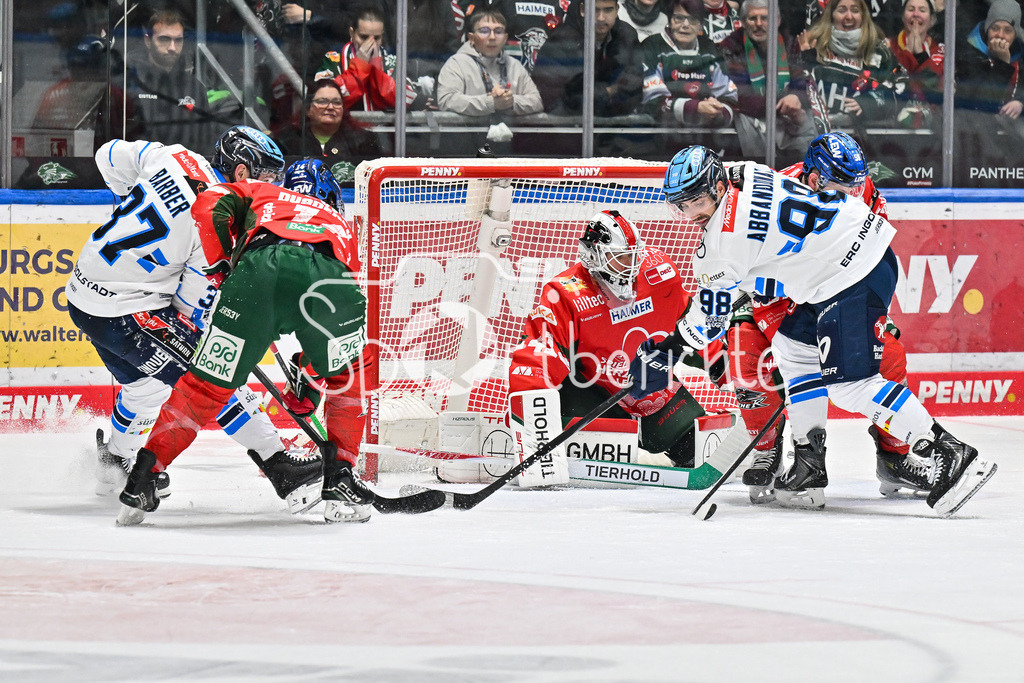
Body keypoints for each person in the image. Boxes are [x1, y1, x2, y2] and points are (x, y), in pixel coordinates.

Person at [629, 145, 997, 516]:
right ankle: (809, 463)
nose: (691, 212)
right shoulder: (747, 173)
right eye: (681, 204)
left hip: (852, 276)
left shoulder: (722, 247)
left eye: (698, 201)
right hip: (848, 258)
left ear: (718, 186)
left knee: (850, 386)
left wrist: (668, 351)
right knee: (792, 348)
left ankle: (948, 451)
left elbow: (707, 323)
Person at [116, 157, 377, 526]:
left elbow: (208, 204)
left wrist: (222, 262)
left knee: (204, 388)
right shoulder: (341, 224)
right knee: (351, 376)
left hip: (256, 274)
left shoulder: (263, 191)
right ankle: (341, 477)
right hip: (327, 276)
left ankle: (143, 477)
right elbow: (331, 350)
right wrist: (310, 384)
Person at [65, 126, 318, 506]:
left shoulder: (172, 155)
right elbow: (191, 316)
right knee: (214, 372)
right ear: (242, 173)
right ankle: (280, 467)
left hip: (83, 294)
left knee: (147, 387)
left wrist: (125, 201)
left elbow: (107, 155)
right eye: (266, 180)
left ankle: (114, 463)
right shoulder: (216, 226)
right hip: (125, 310)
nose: (270, 191)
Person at [713, 132, 924, 503]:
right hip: (774, 296)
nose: (851, 192)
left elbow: (867, 267)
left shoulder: (867, 193)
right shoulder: (779, 190)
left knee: (889, 357)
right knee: (746, 356)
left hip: (834, 294)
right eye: (839, 184)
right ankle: (768, 449)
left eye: (855, 183)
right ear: (813, 178)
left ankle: (895, 458)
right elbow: (752, 269)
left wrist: (872, 314)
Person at [507, 210, 710, 475]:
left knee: (699, 452)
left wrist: (723, 360)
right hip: (591, 394)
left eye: (634, 255)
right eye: (621, 258)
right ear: (593, 255)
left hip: (652, 385)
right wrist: (534, 432)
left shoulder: (657, 272)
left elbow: (689, 322)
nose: (631, 264)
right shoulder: (566, 294)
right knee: (609, 461)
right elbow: (537, 356)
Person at [718, 0, 816, 164]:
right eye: (752, 18)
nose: (758, 24)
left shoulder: (789, 43)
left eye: (765, 18)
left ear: (776, 21)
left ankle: (805, 172)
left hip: (786, 117)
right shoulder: (730, 45)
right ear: (742, 22)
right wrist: (781, 104)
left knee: (808, 120)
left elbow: (802, 82)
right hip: (750, 119)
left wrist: (795, 97)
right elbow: (739, 94)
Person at [793, 0, 905, 132]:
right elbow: (794, 88)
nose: (849, 16)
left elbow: (901, 85)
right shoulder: (813, 43)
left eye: (855, 10)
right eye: (842, 10)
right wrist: (804, 58)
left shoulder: (879, 51)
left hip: (862, 139)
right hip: (816, 134)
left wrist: (869, 103)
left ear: (863, 15)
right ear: (831, 15)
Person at [126, 10, 220, 154]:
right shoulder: (130, 84)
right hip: (138, 172)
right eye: (164, 39)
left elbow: (206, 144)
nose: (172, 47)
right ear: (148, 41)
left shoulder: (196, 88)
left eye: (178, 40)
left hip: (185, 173)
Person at [954, 0, 1024, 187]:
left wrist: (1021, 102)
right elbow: (977, 101)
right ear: (986, 28)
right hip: (977, 131)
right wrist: (1002, 64)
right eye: (995, 28)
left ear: (1015, 32)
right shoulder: (969, 51)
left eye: (1007, 30)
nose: (1000, 36)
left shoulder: (1022, 52)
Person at [639, 0, 738, 131]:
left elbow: (730, 97)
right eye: (679, 18)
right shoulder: (652, 46)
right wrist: (695, 108)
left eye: (693, 19)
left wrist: (718, 113)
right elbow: (652, 101)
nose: (685, 25)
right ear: (669, 20)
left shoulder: (709, 48)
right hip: (661, 138)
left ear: (701, 25)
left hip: (706, 138)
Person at [533, 0, 644, 117]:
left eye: (608, 10)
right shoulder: (562, 40)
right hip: (569, 125)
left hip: (615, 124)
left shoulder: (627, 36)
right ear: (582, 10)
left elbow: (633, 88)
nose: (601, 18)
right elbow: (556, 98)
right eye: (595, 10)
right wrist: (608, 91)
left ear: (617, 10)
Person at [313, 6, 425, 112]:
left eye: (376, 38)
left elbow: (406, 99)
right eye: (364, 37)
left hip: (384, 131)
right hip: (345, 130)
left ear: (382, 36)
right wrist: (360, 66)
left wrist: (376, 69)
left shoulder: (393, 61)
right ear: (352, 33)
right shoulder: (333, 60)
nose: (370, 44)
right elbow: (327, 100)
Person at [275, 79, 384, 185]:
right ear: (308, 109)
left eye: (336, 103)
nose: (330, 107)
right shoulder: (287, 141)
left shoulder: (363, 141)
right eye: (322, 102)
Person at [436, 9, 544, 117]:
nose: (492, 37)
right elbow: (446, 100)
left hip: (508, 132)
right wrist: (490, 103)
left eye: (498, 31)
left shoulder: (515, 65)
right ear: (472, 38)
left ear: (505, 38)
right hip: (469, 133)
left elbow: (537, 101)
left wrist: (511, 101)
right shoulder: (456, 63)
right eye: (484, 31)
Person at [890, 0, 943, 129]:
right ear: (903, 17)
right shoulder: (888, 47)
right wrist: (908, 53)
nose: (916, 14)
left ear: (931, 20)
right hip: (891, 124)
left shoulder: (941, 52)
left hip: (932, 127)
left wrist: (920, 55)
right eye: (911, 9)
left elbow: (936, 89)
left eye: (922, 10)